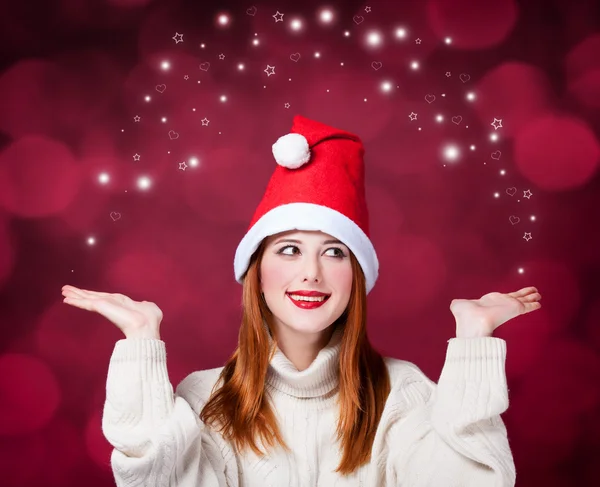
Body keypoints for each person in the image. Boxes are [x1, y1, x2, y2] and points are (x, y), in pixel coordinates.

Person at [62, 115, 542, 486]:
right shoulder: (203, 399)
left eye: (333, 251)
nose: (311, 272)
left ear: (355, 277)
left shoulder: (404, 392)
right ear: (257, 274)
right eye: (289, 249)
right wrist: (142, 343)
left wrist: (473, 342)